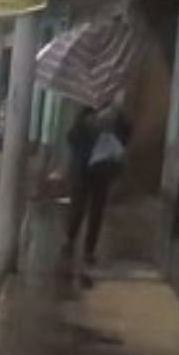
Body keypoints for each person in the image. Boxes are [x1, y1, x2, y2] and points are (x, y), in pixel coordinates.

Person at [64, 101, 130, 270]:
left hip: (102, 170)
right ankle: (70, 239)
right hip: (83, 169)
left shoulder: (116, 115)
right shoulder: (84, 113)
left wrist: (115, 123)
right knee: (78, 206)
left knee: (97, 211)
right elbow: (71, 138)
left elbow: (126, 135)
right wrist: (89, 123)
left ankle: (89, 249)